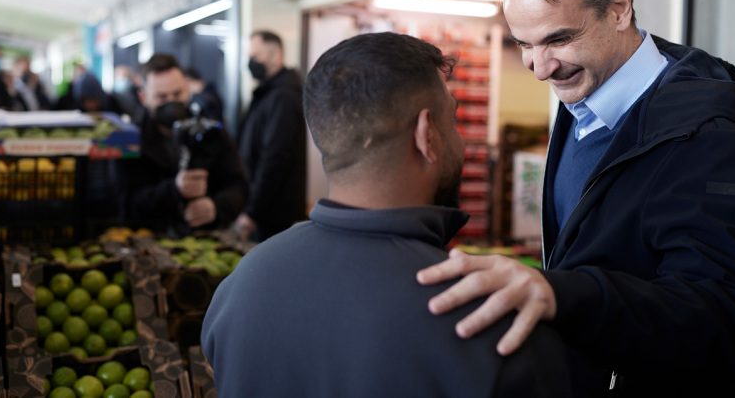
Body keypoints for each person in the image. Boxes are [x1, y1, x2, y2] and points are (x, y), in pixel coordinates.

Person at [415, 0, 735, 397]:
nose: (539, 69)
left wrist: (562, 295)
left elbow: (726, 325)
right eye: (524, 44)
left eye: (558, 39)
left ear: (618, 8)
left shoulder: (704, 136)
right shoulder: (584, 92)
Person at [202, 32, 572, 397]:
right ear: (426, 135)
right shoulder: (487, 322)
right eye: (453, 120)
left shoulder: (238, 288)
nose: (459, 141)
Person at [122, 53, 248, 237]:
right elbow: (126, 203)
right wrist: (174, 189)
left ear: (187, 88)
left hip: (204, 239)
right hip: (148, 239)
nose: (172, 103)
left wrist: (216, 207)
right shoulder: (130, 139)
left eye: (177, 94)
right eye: (162, 97)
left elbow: (238, 185)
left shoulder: (211, 132)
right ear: (144, 97)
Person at [234, 31, 307, 241]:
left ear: (275, 55)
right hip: (263, 207)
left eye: (256, 56)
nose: (251, 62)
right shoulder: (266, 93)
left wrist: (253, 211)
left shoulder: (283, 96)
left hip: (274, 213)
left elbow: (275, 156)